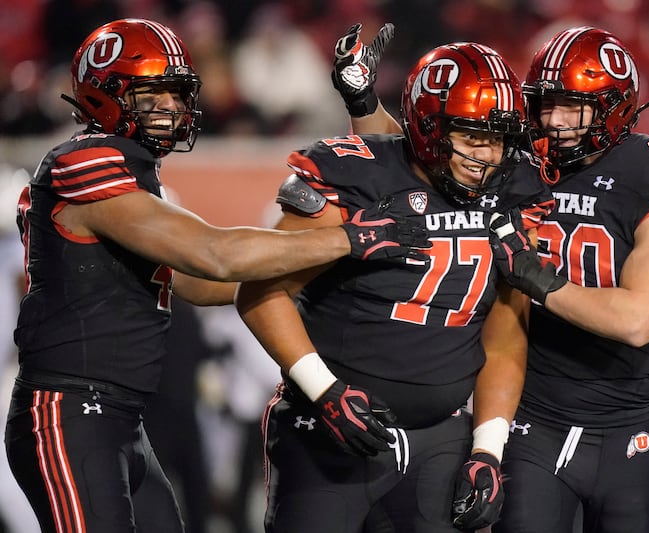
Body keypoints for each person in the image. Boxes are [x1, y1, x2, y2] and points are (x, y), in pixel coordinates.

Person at [3, 18, 430, 533]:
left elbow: (204, 285)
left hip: (120, 415)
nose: (170, 108)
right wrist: (350, 239)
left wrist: (321, 261)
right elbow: (213, 254)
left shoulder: (131, 171)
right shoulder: (85, 161)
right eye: (151, 94)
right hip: (68, 409)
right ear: (103, 94)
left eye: (175, 94)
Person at [340, 24, 649, 533]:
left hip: (627, 423)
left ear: (614, 107)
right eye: (545, 104)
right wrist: (363, 102)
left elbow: (638, 321)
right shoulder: (520, 161)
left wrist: (537, 279)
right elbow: (422, 156)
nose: (554, 122)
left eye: (572, 107)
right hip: (531, 418)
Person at [235, 38, 555, 532]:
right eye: (472, 136)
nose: (487, 154)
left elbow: (505, 334)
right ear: (429, 127)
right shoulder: (359, 174)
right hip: (331, 429)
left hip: (441, 439)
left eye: (498, 138)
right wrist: (326, 392)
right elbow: (258, 291)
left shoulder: (514, 193)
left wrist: (488, 449)